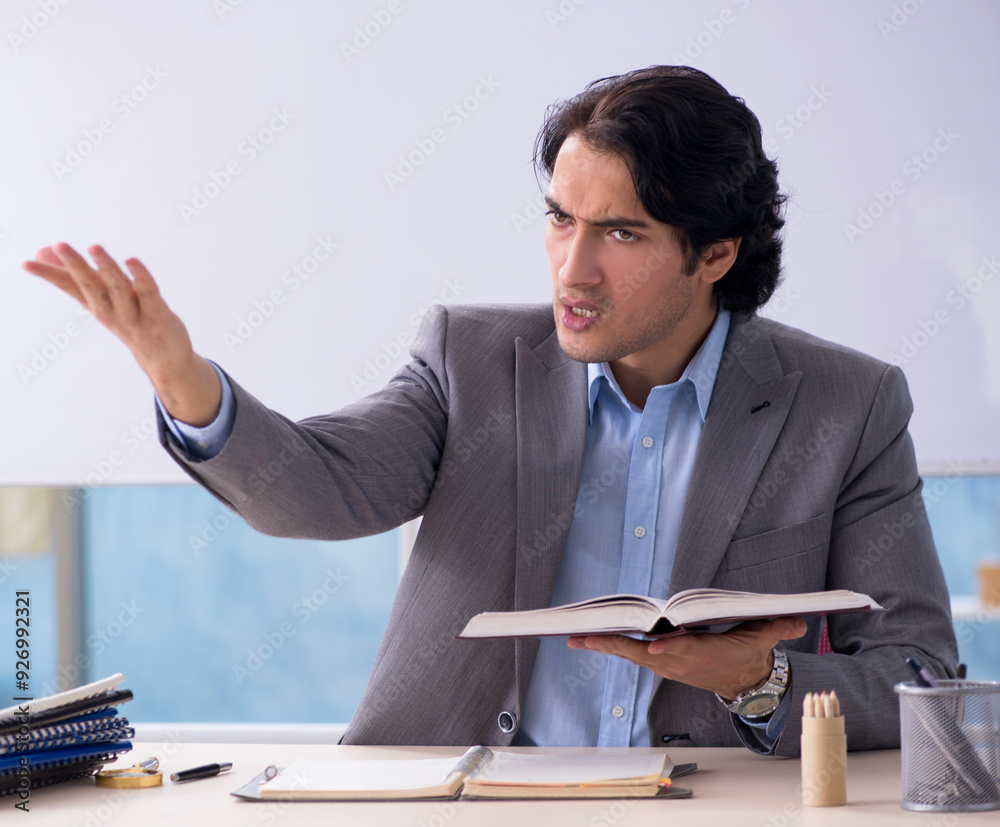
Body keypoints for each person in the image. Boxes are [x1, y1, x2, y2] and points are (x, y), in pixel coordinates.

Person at [24, 65, 957, 756]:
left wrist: (761, 678)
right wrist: (181, 378)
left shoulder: (846, 404)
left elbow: (922, 677)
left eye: (620, 232)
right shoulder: (469, 359)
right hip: (466, 797)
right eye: (560, 218)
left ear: (715, 254)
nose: (572, 269)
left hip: (709, 806)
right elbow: (315, 489)